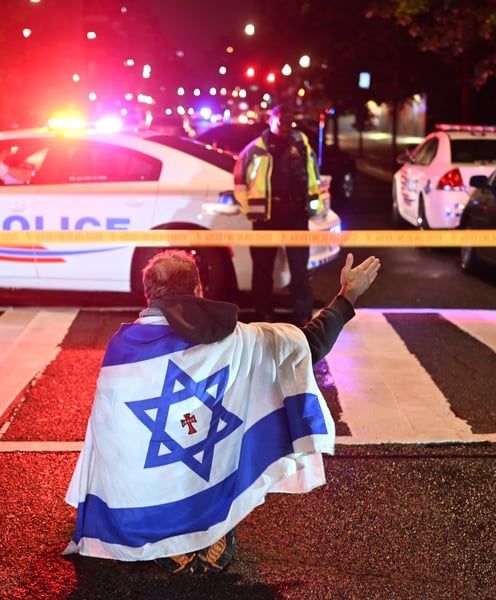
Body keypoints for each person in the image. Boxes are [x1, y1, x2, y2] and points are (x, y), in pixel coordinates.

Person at [64, 249, 381, 574]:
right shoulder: (238, 339)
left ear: (147, 296)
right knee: (222, 439)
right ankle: (210, 529)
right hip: (210, 455)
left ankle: (161, 531)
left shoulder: (123, 349)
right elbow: (306, 343)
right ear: (199, 289)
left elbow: (108, 436)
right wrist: (347, 296)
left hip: (152, 477)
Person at [234, 104, 323, 324]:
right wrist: (250, 208)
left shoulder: (302, 146)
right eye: (280, 121)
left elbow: (314, 177)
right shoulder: (255, 150)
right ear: (270, 120)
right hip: (266, 218)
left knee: (299, 269)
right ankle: (262, 313)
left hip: (296, 215)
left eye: (289, 122)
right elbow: (239, 182)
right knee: (263, 270)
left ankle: (302, 314)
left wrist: (312, 207)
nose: (285, 126)